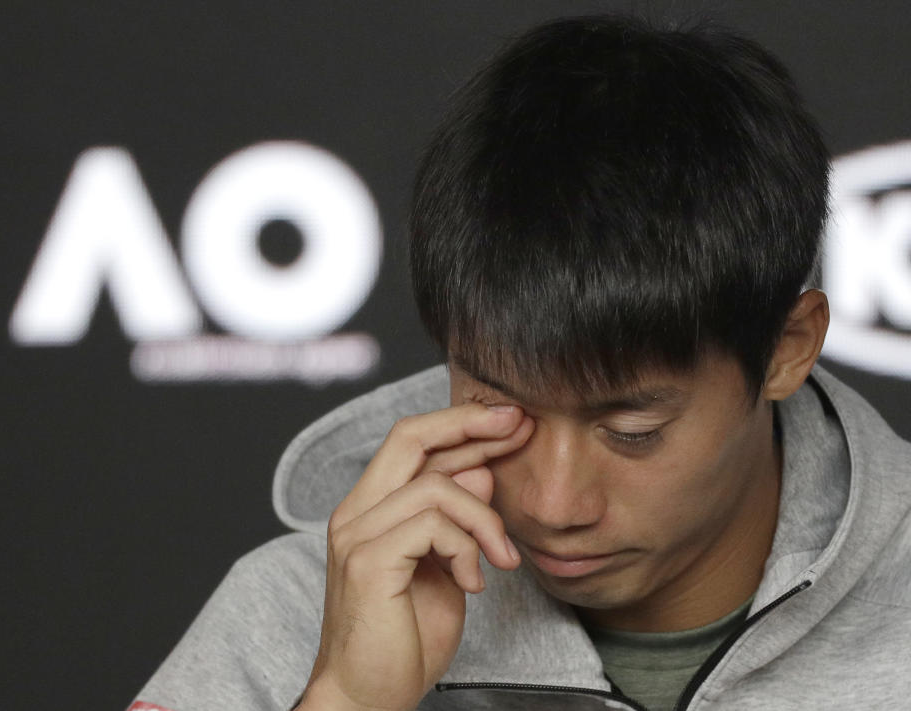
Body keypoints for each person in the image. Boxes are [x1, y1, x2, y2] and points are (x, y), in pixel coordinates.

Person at [131, 15, 911, 711]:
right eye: (500, 411)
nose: (553, 502)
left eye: (632, 430)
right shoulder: (295, 611)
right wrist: (345, 699)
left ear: (787, 349)